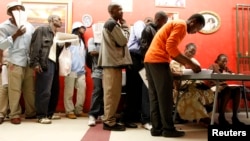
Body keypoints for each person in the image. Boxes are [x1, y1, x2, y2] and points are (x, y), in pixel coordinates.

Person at [144, 13, 205, 137]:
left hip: (149, 60)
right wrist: (191, 64)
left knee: (155, 97)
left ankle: (156, 129)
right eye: (197, 28)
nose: (195, 32)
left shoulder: (175, 23)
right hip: (159, 60)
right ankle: (168, 129)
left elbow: (171, 50)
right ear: (193, 21)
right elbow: (171, 48)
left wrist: (187, 62)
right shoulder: (182, 25)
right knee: (165, 97)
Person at [122, 11, 168, 131]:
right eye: (148, 21)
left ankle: (141, 118)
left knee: (142, 90)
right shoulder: (140, 24)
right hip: (135, 59)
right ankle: (130, 118)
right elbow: (141, 37)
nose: (149, 24)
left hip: (142, 59)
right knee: (134, 90)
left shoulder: (150, 29)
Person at [97, 3, 132, 131]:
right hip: (111, 64)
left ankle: (109, 119)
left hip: (113, 63)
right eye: (119, 9)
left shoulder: (112, 24)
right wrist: (126, 26)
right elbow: (123, 40)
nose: (122, 12)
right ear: (112, 11)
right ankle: (109, 122)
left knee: (113, 94)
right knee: (111, 94)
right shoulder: (112, 24)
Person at [0, 1, 36, 124]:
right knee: (14, 89)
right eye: (16, 9)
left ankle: (31, 112)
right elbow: (1, 45)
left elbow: (33, 44)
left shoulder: (29, 26)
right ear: (10, 12)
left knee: (29, 89)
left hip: (28, 61)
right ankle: (14, 114)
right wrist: (15, 35)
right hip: (14, 61)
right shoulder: (4, 27)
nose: (19, 11)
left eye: (21, 9)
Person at [170, 43, 214, 126]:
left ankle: (203, 116)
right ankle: (204, 118)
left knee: (209, 92)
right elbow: (176, 76)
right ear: (185, 49)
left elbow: (199, 74)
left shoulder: (194, 61)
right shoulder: (175, 61)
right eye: (190, 51)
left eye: (193, 53)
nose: (191, 54)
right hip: (182, 86)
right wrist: (186, 70)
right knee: (192, 95)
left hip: (195, 84)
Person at [29, 14, 63, 124]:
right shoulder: (42, 30)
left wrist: (62, 46)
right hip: (45, 63)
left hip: (54, 63)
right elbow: (35, 47)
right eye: (58, 19)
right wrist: (35, 63)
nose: (60, 21)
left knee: (54, 90)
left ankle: (49, 113)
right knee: (44, 90)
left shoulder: (56, 35)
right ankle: (41, 115)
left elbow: (55, 52)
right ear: (51, 20)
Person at [207, 54, 245, 125]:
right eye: (223, 61)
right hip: (214, 86)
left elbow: (231, 74)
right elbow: (208, 77)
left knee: (237, 89)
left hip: (223, 87)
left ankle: (235, 117)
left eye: (226, 61)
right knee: (227, 89)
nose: (225, 63)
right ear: (218, 61)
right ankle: (221, 117)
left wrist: (233, 74)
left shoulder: (225, 68)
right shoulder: (213, 66)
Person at [63, 22, 87, 119]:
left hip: (81, 71)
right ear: (77, 28)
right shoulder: (70, 39)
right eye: (82, 27)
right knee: (69, 92)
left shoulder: (82, 41)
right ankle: (69, 111)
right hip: (71, 70)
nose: (84, 29)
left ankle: (78, 110)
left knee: (82, 91)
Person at [87, 37, 104, 126]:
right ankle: (92, 115)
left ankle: (101, 113)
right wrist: (107, 52)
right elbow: (92, 52)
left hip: (108, 69)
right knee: (97, 90)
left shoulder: (108, 39)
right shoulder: (92, 40)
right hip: (97, 69)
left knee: (106, 93)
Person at [0, 49, 9, 124]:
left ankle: (11, 111)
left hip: (18, 63)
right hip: (4, 64)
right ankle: (1, 113)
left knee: (14, 90)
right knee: (4, 89)